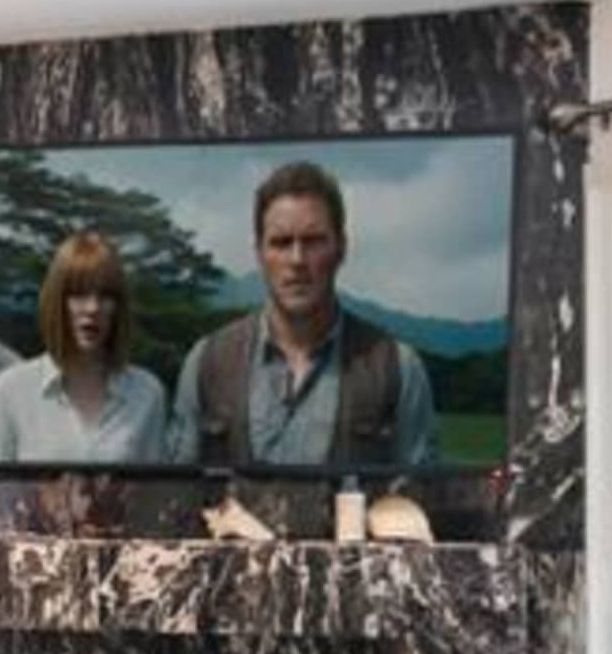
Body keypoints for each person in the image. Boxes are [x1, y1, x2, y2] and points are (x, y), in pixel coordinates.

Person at [169, 159, 436, 471]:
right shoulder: (207, 363)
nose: (297, 260)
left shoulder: (398, 370)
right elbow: (177, 496)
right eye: (281, 243)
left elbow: (420, 504)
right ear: (259, 254)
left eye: (313, 241)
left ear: (341, 249)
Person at [0, 229, 170, 465]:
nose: (92, 308)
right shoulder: (11, 389)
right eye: (78, 294)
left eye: (106, 296)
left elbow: (155, 495)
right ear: (56, 302)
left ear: (118, 308)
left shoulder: (147, 393)